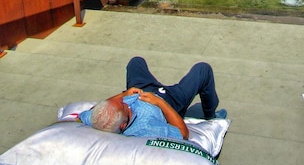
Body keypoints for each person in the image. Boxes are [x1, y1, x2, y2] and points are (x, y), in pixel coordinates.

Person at [79, 56, 227, 140]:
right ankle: (210, 116)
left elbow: (88, 113)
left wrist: (124, 94)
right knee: (203, 69)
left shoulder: (98, 119)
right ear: (123, 125)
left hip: (140, 91)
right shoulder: (145, 128)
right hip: (169, 101)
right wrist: (160, 103)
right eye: (123, 106)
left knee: (136, 62)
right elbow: (183, 134)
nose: (124, 103)